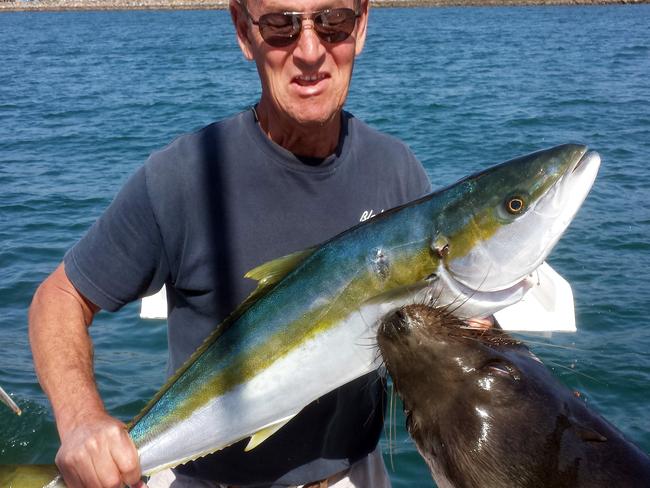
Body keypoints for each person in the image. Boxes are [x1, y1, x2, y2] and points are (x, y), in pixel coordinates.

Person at [29, 0, 433, 486]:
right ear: (244, 32)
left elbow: (448, 318)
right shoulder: (181, 176)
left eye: (333, 22)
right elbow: (59, 298)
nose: (310, 51)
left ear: (361, 26)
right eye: (280, 26)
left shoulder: (397, 170)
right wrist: (80, 420)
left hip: (355, 475)